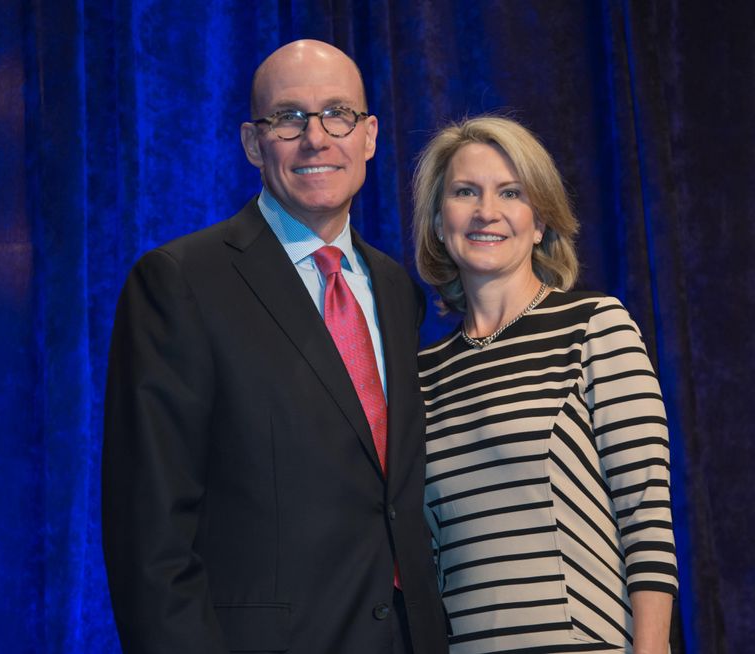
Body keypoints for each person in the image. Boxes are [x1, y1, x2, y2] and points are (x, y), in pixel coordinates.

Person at [102, 40, 448, 654]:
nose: (316, 138)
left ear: (369, 136)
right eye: (288, 118)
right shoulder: (180, 282)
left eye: (338, 114)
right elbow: (149, 537)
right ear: (252, 143)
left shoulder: (397, 290)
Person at [412, 116, 678, 654]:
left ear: (539, 223)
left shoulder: (594, 327)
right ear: (440, 222)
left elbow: (646, 519)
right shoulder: (422, 375)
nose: (487, 211)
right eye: (466, 192)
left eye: (511, 192)